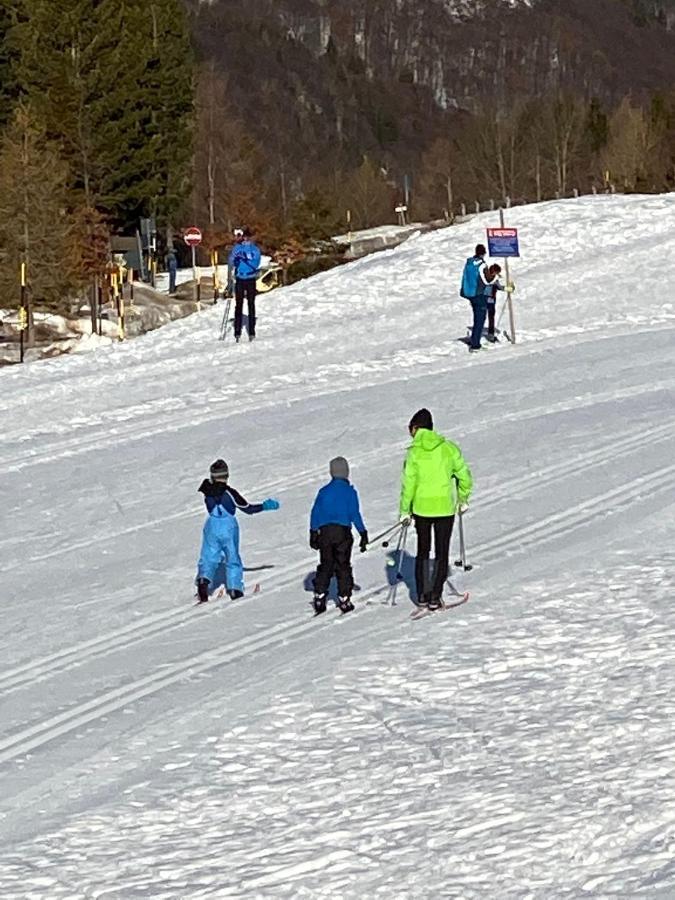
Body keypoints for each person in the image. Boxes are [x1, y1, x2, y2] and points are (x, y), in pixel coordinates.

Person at [399, 409, 473, 610]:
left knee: (423, 550)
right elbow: (464, 475)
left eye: (410, 429)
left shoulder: (414, 453)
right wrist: (463, 498)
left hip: (422, 509)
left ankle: (422, 594)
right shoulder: (449, 449)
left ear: (416, 428)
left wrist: (405, 510)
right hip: (444, 509)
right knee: (442, 552)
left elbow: (409, 484)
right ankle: (435, 596)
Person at [196, 459, 280, 603]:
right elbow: (247, 508)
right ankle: (235, 588)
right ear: (226, 475)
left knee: (208, 555)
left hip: (211, 524)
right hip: (228, 526)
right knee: (232, 556)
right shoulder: (229, 493)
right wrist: (264, 506)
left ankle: (203, 581)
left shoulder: (207, 491)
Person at [309, 456, 368, 616]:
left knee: (326, 563)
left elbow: (315, 512)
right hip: (342, 532)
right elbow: (354, 514)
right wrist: (362, 532)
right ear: (346, 472)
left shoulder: (324, 491)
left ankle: (320, 595)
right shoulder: (350, 492)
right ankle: (344, 597)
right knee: (343, 565)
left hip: (325, 532)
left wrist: (313, 532)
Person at [228, 227, 261, 342]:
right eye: (244, 237)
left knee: (251, 304)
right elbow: (231, 261)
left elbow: (255, 264)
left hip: (250, 278)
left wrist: (245, 256)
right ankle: (237, 331)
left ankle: (251, 330)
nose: (246, 240)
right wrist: (234, 259)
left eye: (248, 237)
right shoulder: (237, 248)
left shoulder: (255, 249)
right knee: (238, 305)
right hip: (240, 278)